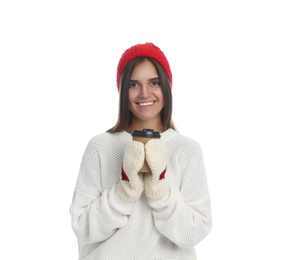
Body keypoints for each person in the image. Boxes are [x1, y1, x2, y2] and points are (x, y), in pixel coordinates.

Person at [70, 42, 212, 260]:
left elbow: (195, 231)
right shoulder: (100, 146)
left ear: (166, 86)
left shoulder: (186, 150)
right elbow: (82, 227)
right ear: (122, 90)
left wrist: (160, 191)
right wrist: (124, 191)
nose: (144, 93)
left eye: (154, 82)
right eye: (134, 84)